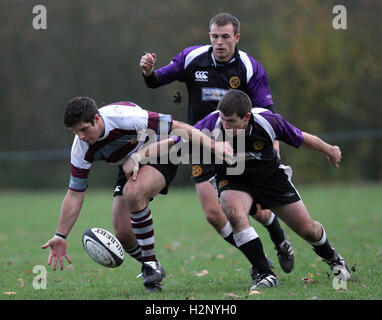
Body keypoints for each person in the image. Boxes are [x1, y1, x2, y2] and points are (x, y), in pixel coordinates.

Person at [139, 12, 294, 278]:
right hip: (201, 142)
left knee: (255, 210)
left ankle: (280, 241)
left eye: (225, 37)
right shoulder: (192, 58)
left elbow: (267, 113)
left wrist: (274, 147)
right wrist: (149, 71)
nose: (219, 42)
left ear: (237, 37)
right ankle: (260, 263)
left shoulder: (249, 66)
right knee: (214, 214)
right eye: (214, 36)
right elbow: (156, 81)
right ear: (209, 36)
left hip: (238, 145)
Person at [41, 97, 232, 292]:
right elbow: (74, 194)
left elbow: (178, 127)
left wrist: (215, 146)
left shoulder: (126, 118)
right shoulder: (81, 148)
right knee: (123, 233)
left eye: (84, 129)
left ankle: (150, 266)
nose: (81, 136)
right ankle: (153, 266)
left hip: (161, 152)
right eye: (75, 132)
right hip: (128, 164)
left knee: (132, 193)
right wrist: (61, 235)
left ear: (97, 119)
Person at [193, 89, 350, 289]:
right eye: (223, 119)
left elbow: (301, 137)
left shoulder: (267, 121)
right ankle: (265, 273)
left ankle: (333, 258)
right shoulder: (211, 123)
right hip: (233, 179)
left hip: (270, 178)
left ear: (246, 117)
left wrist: (329, 150)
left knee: (308, 230)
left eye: (231, 121)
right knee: (232, 210)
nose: (225, 124)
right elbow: (178, 138)